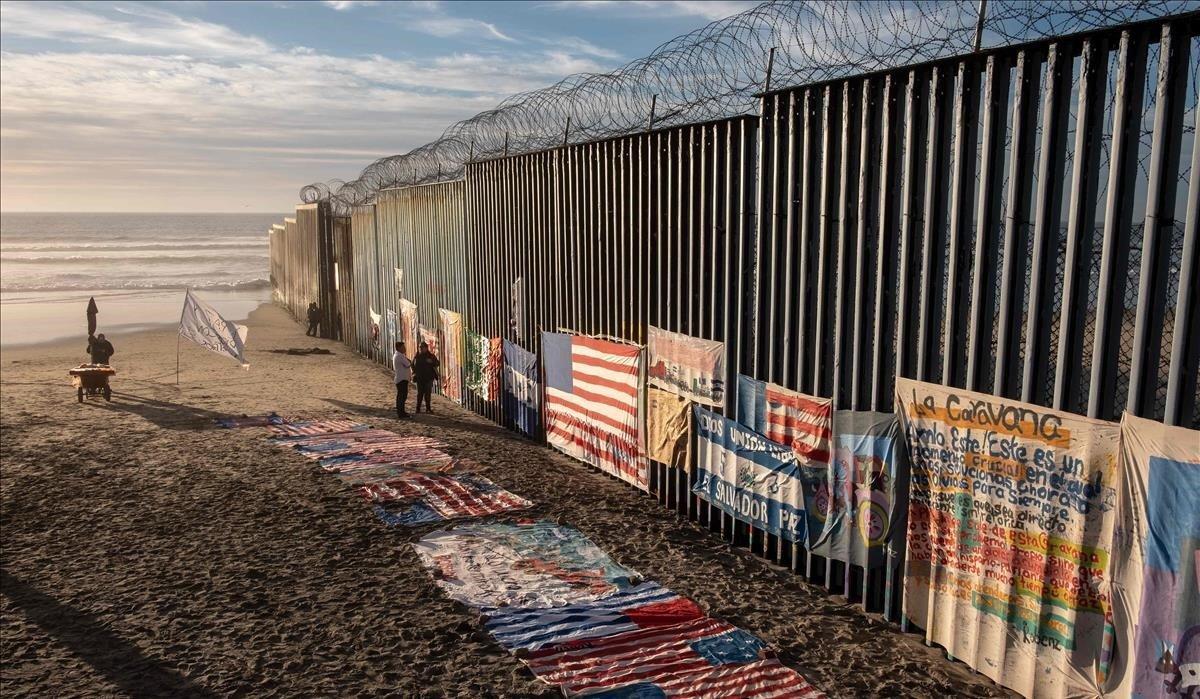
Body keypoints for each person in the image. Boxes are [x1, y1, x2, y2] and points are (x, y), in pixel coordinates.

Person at [412, 341, 440, 414]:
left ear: (426, 348)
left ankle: (428, 408)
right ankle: (418, 408)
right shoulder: (417, 356)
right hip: (420, 378)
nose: (421, 349)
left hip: (428, 378)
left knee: (427, 394)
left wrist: (431, 362)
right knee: (420, 394)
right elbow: (412, 364)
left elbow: (437, 363)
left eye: (422, 347)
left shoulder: (430, 356)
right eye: (420, 347)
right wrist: (415, 372)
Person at [393, 341, 412, 419]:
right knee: (402, 396)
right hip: (402, 379)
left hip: (401, 378)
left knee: (401, 396)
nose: (405, 349)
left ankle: (401, 412)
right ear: (399, 348)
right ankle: (401, 413)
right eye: (403, 347)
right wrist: (409, 361)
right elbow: (408, 364)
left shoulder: (399, 355)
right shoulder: (400, 356)